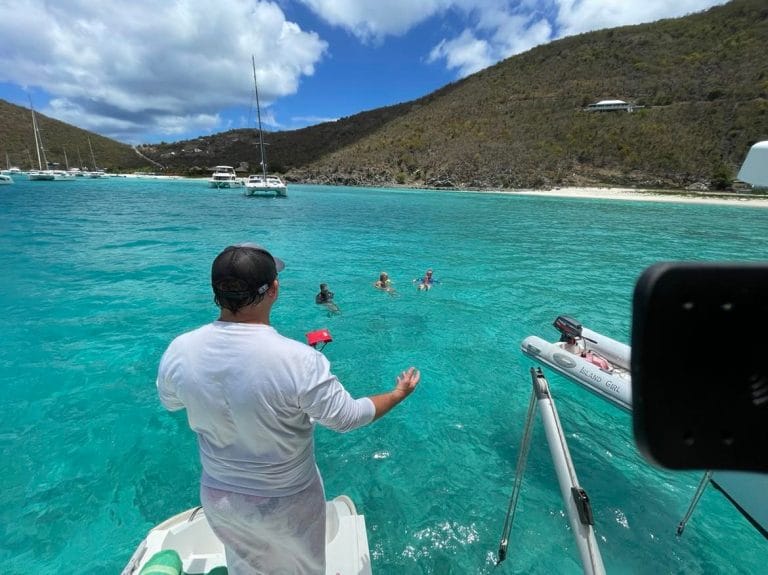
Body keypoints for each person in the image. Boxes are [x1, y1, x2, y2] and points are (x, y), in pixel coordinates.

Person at [156, 243, 420, 574]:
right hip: (285, 503)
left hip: (220, 497)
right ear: (274, 290)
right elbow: (347, 418)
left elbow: (171, 401)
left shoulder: (180, 351)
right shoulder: (300, 361)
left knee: (244, 567)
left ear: (216, 292)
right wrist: (398, 393)